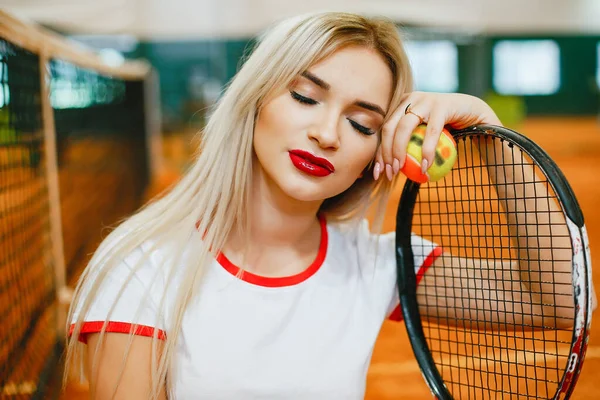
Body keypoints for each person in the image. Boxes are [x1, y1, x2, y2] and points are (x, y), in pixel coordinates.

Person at [65, 11, 560, 400]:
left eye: (362, 124)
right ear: (255, 99)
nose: (326, 134)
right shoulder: (142, 268)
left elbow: (559, 300)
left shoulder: (374, 265)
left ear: (375, 152)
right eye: (305, 97)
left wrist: (490, 131)